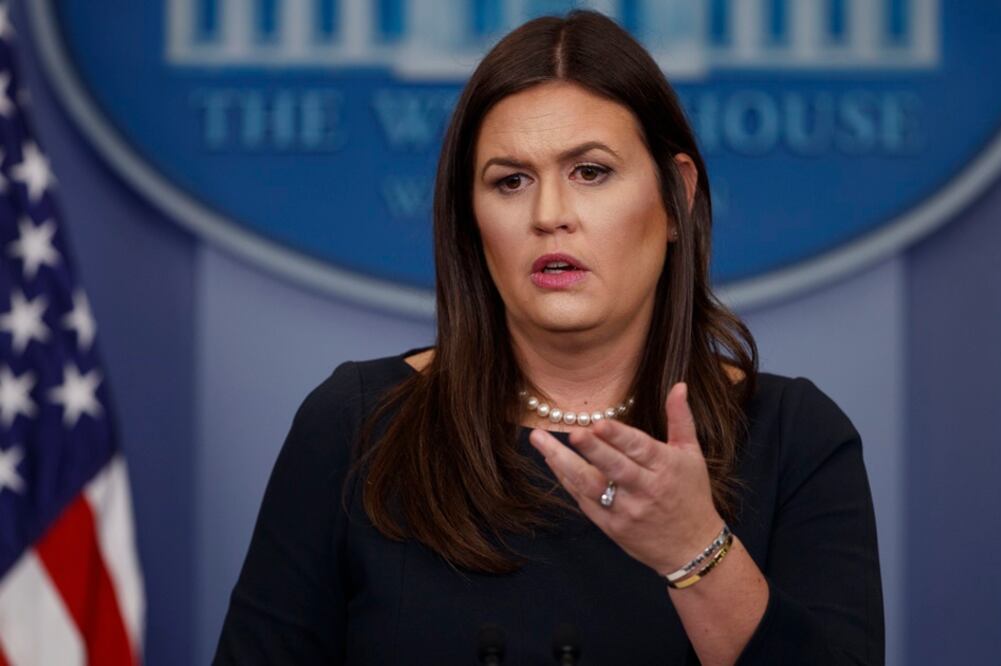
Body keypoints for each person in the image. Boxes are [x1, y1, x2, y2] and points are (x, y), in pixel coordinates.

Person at [214, 10, 884, 665]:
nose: (549, 215)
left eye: (589, 172)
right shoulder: (357, 423)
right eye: (510, 181)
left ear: (675, 195)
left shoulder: (793, 437)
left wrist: (694, 550)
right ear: (470, 219)